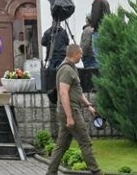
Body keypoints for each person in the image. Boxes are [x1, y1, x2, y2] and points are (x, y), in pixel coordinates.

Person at [45, 43, 99, 174]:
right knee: (85, 142)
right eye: (80, 53)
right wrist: (69, 116)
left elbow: (77, 92)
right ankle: (97, 172)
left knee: (61, 146)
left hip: (70, 111)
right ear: (75, 54)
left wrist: (88, 106)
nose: (82, 55)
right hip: (71, 111)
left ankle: (50, 173)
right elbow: (63, 93)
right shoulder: (66, 70)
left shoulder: (71, 68)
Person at [79, 23, 98, 92]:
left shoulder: (87, 30)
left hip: (89, 56)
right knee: (95, 73)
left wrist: (82, 55)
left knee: (90, 74)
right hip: (94, 55)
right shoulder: (94, 30)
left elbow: (85, 45)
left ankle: (91, 91)